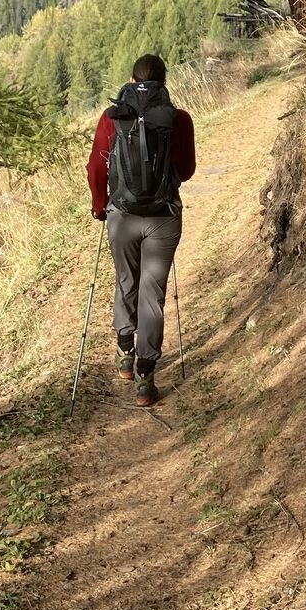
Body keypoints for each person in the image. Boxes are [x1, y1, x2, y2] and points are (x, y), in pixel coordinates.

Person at [86, 53, 196, 406]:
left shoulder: (112, 117)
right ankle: (146, 378)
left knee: (125, 280)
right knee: (153, 294)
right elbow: (187, 170)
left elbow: (96, 168)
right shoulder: (179, 119)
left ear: (132, 82)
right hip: (164, 216)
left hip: (122, 215)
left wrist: (100, 205)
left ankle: (124, 354)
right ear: (164, 83)